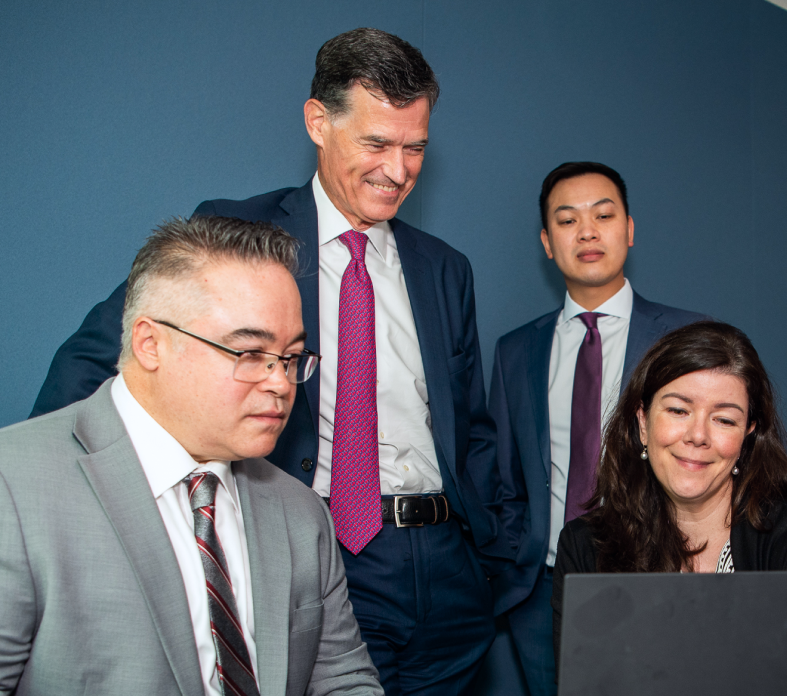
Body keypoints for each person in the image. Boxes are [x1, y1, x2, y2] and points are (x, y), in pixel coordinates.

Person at [28, 28, 509, 695]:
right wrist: (62, 506)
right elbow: (93, 360)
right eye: (376, 143)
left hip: (445, 569)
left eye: (415, 147)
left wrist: (493, 558)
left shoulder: (444, 269)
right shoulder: (237, 233)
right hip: (318, 548)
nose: (397, 170)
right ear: (319, 121)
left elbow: (469, 427)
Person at [0, 217, 383, 696]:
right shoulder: (12, 487)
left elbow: (342, 678)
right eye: (249, 352)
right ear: (151, 343)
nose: (280, 382)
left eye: (290, 357)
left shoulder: (300, 512)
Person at [488, 161, 709, 696]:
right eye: (567, 221)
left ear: (629, 230)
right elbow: (502, 475)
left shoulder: (686, 338)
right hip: (542, 593)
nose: (587, 232)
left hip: (659, 576)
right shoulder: (516, 351)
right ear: (547, 242)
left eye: (603, 215)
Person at [550, 321, 787, 666]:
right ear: (643, 423)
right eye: (678, 410)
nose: (698, 435)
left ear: (747, 436)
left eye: (724, 419)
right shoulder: (586, 548)